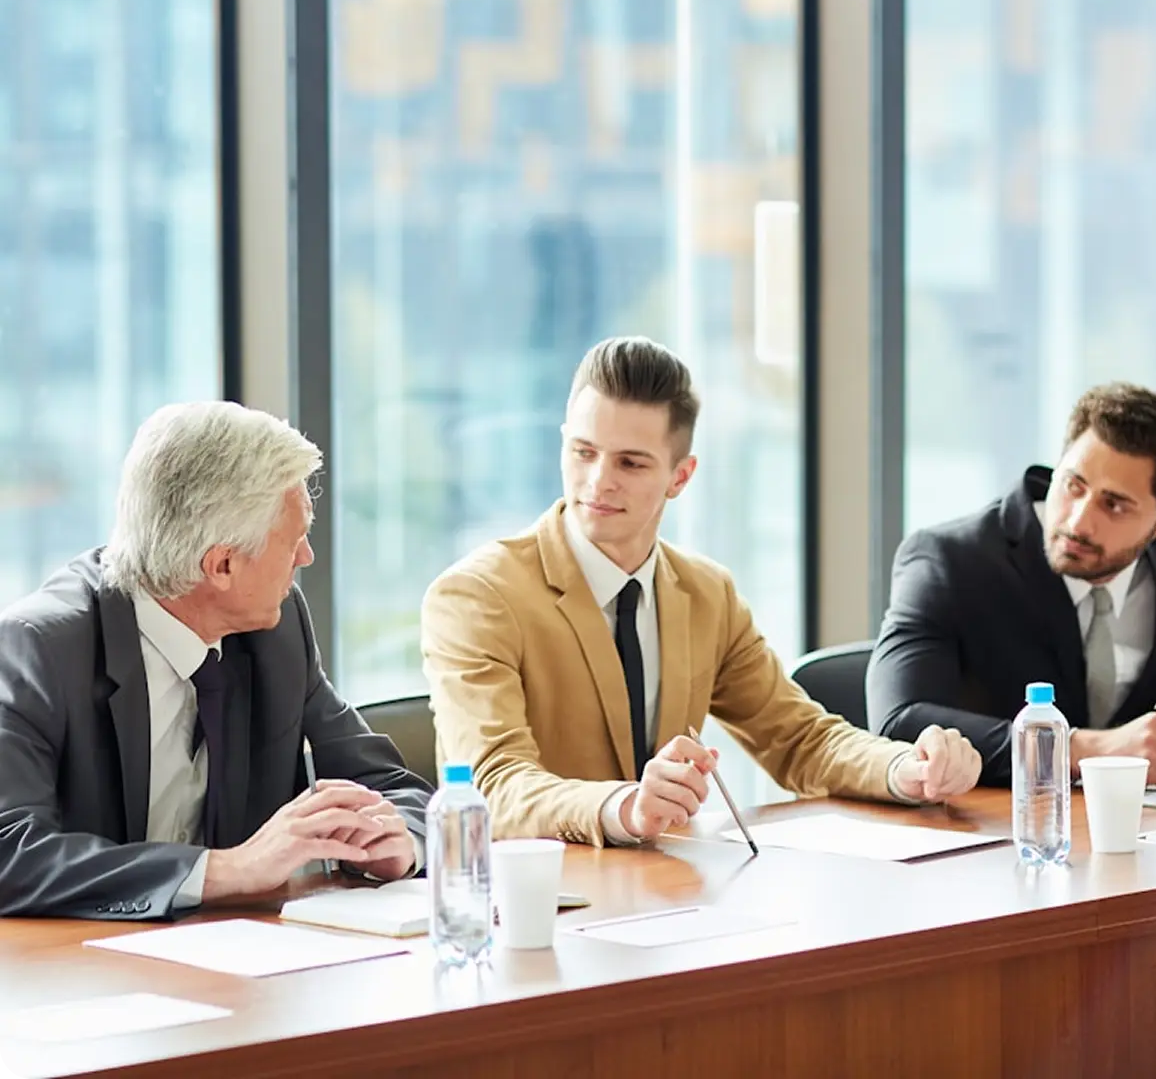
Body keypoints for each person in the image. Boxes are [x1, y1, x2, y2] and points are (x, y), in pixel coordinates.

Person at [423, 337, 980, 845]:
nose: (598, 481)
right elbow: (493, 785)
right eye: (584, 452)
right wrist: (624, 806)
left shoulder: (705, 592)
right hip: (533, 906)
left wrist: (907, 769)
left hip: (669, 897)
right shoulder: (477, 596)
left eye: (630, 463)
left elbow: (798, 739)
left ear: (680, 477)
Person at [0, 402, 431, 919]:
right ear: (221, 564)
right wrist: (226, 870)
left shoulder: (276, 631)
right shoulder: (38, 647)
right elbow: (11, 851)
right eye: (293, 541)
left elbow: (393, 787)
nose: (306, 558)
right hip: (78, 969)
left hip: (232, 961)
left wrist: (397, 841)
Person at [867, 383, 1156, 788]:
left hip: (1134, 824)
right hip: (986, 824)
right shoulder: (949, 560)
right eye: (1073, 486)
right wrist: (1082, 749)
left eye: (1113, 505)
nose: (1078, 522)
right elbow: (898, 720)